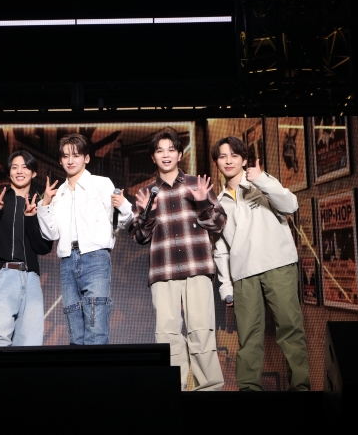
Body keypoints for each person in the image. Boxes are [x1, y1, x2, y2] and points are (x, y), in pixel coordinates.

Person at [211, 136, 310, 391]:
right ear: (217, 163)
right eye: (223, 156)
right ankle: (249, 393)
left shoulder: (263, 183)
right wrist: (225, 285)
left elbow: (291, 205)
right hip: (244, 274)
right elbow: (220, 248)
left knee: (290, 330)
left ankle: (301, 390)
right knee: (248, 339)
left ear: (244, 160)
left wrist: (262, 179)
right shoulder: (218, 203)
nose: (229, 160)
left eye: (234, 155)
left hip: (278, 264)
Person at [130, 130, 226, 391]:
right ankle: (175, 393)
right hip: (164, 272)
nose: (166, 155)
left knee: (202, 332)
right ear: (153, 157)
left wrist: (203, 203)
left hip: (197, 268)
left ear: (180, 154)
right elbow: (139, 237)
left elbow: (219, 224)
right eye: (160, 150)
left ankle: (210, 392)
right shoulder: (146, 193)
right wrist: (147, 214)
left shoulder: (197, 184)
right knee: (167, 336)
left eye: (171, 149)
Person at [37, 133, 133, 345]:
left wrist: (124, 205)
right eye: (65, 156)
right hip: (67, 260)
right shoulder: (58, 193)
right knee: (75, 329)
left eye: (76, 155)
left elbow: (122, 222)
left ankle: (97, 368)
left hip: (95, 257)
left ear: (86, 158)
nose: (70, 160)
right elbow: (50, 234)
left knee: (95, 324)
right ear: (60, 160)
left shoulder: (101, 184)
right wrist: (44, 204)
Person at [0, 150, 53, 347]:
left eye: (25, 167)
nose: (19, 171)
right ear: (9, 172)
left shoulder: (39, 203)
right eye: (15, 167)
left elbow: (44, 247)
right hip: (0, 275)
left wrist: (31, 218)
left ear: (33, 173)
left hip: (30, 279)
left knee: (31, 344)